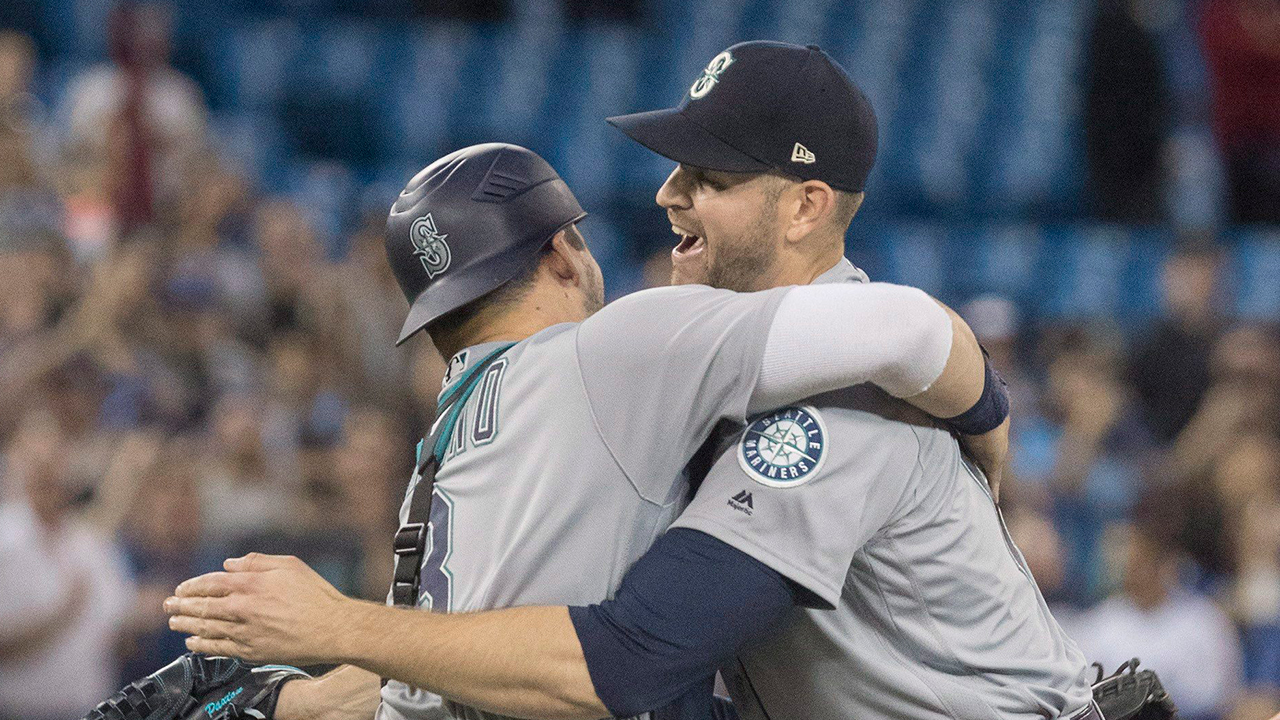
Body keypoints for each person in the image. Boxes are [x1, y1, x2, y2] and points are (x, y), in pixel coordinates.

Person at [156, 43, 1111, 720]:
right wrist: (311, 704)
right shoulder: (698, 388)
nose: (668, 195)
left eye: (709, 174)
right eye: (673, 167)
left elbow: (625, 658)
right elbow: (522, 638)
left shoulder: (842, 403)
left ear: (806, 206)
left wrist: (988, 419)